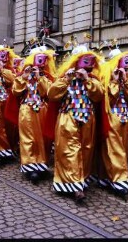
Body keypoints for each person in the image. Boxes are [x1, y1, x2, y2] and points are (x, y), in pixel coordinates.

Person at [48, 45, 104, 202]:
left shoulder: (93, 80)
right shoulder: (65, 77)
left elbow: (99, 96)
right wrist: (66, 79)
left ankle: (81, 179)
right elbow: (52, 95)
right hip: (68, 118)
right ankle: (73, 185)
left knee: (86, 150)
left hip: (87, 120)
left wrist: (86, 80)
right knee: (68, 150)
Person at [97, 50, 128, 199]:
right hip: (112, 117)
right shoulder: (105, 78)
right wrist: (115, 80)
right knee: (113, 149)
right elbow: (111, 97)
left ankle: (107, 177)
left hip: (125, 118)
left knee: (123, 149)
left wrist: (126, 80)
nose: (125, 71)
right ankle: (119, 179)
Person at [11, 47, 57, 184]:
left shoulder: (47, 77)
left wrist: (40, 78)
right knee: (27, 137)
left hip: (42, 109)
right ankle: (30, 166)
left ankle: (41, 164)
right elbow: (15, 91)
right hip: (26, 109)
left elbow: (48, 93)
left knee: (42, 138)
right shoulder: (23, 75)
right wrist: (24, 78)